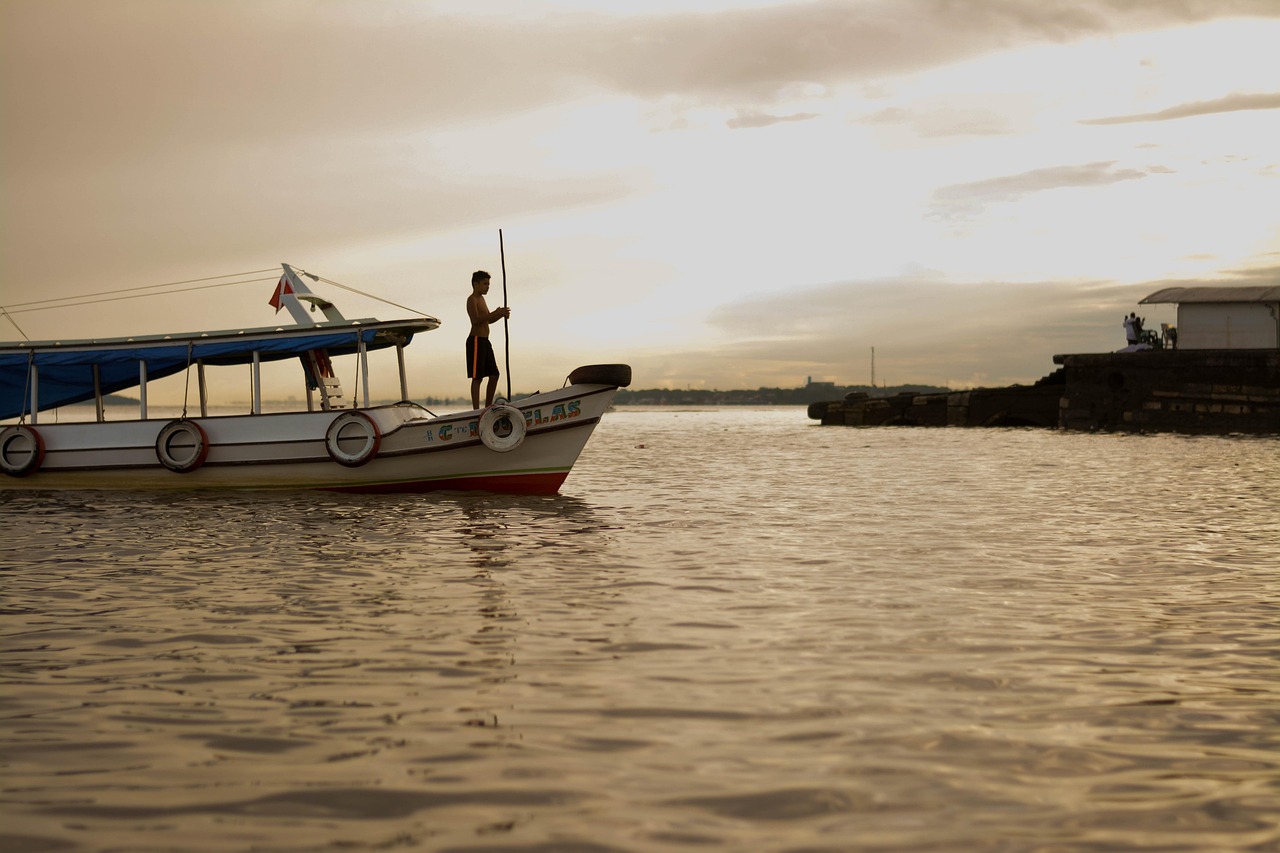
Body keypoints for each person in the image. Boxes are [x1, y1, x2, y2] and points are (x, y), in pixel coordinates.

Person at [465, 270, 510, 409]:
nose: (487, 287)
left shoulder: (482, 299)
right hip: (476, 340)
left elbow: (488, 320)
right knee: (477, 378)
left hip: (485, 341)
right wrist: (495, 313)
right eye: (485, 284)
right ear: (475, 284)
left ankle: (488, 406)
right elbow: (476, 321)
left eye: (488, 284)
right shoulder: (472, 299)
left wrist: (500, 314)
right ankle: (476, 410)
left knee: (494, 374)